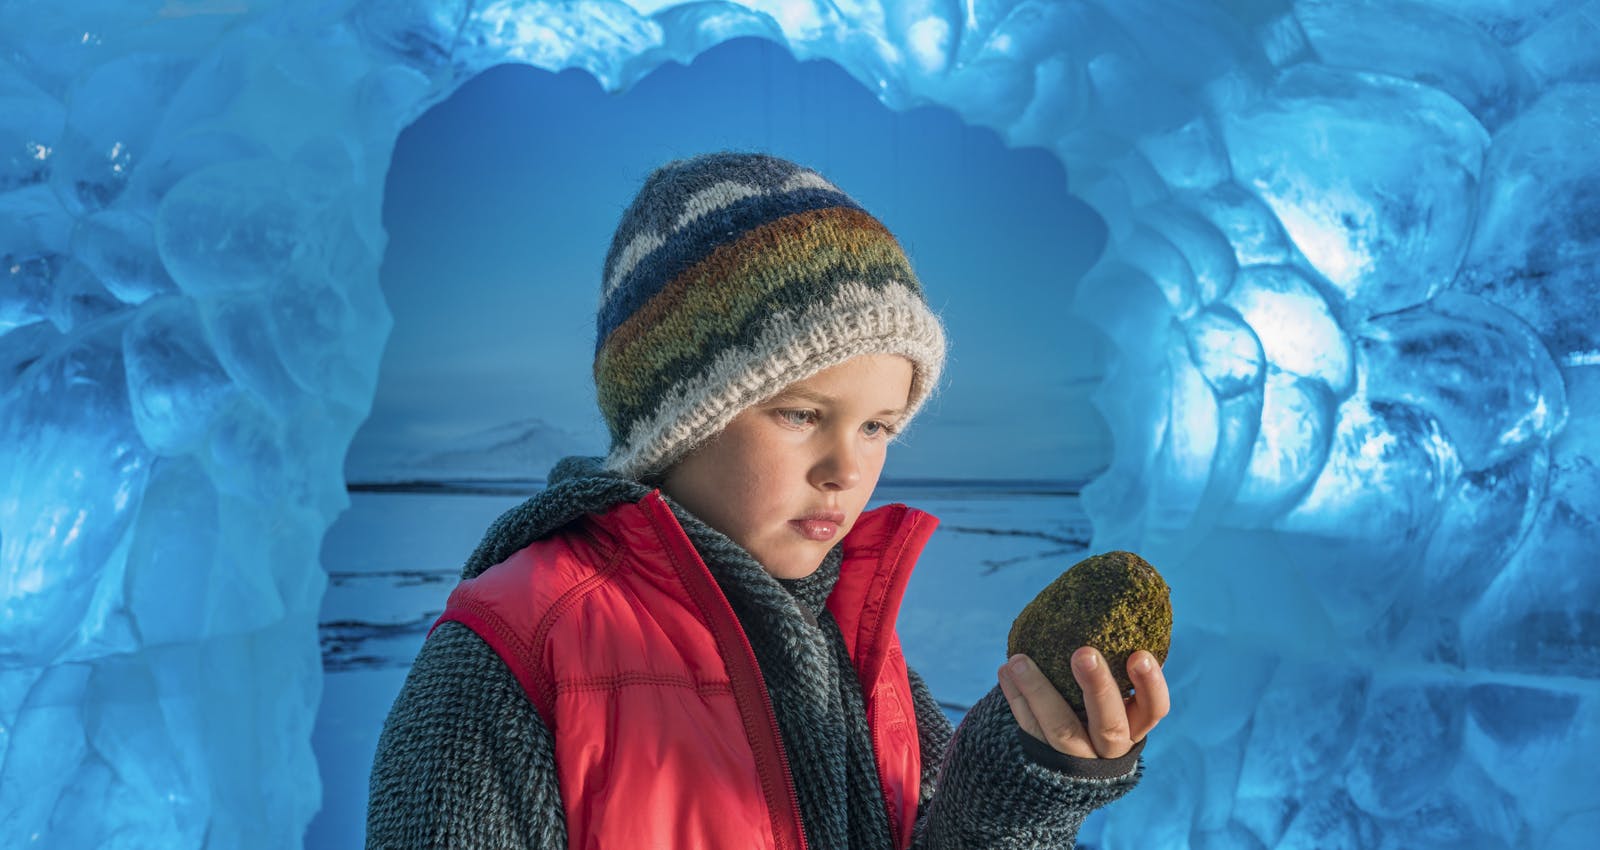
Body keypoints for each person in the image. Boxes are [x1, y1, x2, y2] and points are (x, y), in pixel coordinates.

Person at [365, 152, 1170, 849]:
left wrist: (1023, 785)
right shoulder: (513, 657)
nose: (844, 470)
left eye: (879, 427)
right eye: (800, 415)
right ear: (678, 419)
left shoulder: (863, 657)